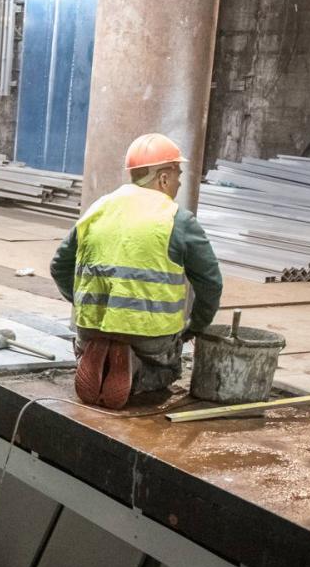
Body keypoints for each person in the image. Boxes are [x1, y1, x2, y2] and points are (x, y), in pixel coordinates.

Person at [50, 133, 223, 408]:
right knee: (168, 368)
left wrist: (81, 300)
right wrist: (194, 328)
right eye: (178, 174)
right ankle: (137, 371)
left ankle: (93, 356)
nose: (179, 182)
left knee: (94, 336)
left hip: (90, 328)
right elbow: (211, 284)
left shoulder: (98, 209)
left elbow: (58, 266)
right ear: (163, 178)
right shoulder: (177, 219)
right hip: (148, 336)